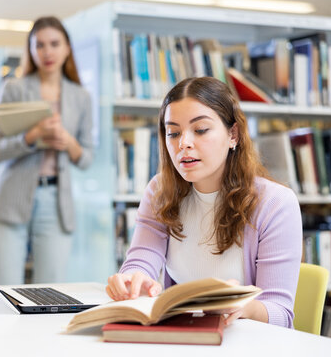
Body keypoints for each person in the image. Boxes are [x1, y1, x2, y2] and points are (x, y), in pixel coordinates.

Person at [106, 77, 302, 329]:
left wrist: (244, 305)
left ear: (233, 135)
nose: (183, 143)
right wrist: (132, 279)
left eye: (200, 130)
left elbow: (281, 315)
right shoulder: (159, 190)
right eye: (173, 133)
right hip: (187, 340)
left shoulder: (276, 204)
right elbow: (142, 258)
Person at [0, 16, 93, 284]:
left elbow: (87, 158)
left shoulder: (81, 96)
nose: (47, 52)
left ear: (67, 48)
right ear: (30, 50)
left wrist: (68, 142)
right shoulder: (14, 88)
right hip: (12, 197)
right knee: (5, 287)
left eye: (55, 44)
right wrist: (31, 137)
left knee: (50, 289)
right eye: (40, 45)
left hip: (56, 201)